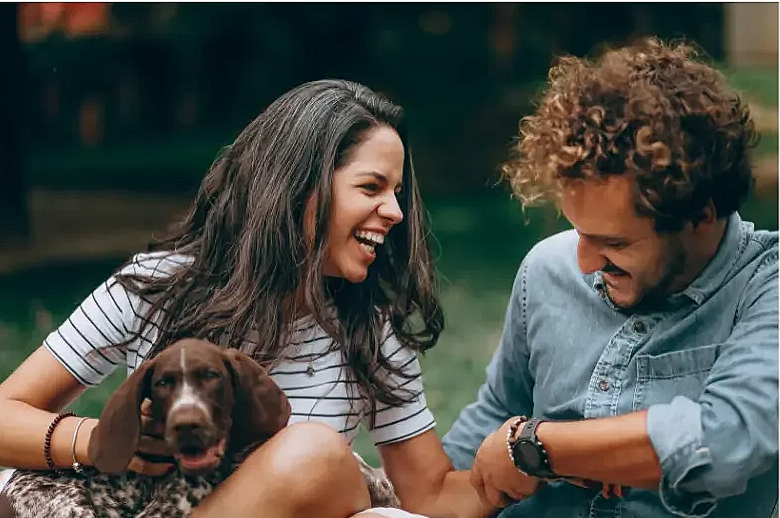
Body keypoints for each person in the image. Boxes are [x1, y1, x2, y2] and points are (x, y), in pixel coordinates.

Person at [0, 79, 490, 518]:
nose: (396, 212)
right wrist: (100, 442)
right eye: (372, 187)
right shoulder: (159, 286)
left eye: (398, 192)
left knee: (319, 464)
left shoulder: (372, 327)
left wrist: (531, 458)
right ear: (299, 187)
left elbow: (428, 496)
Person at [442, 38, 778, 518]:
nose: (583, 263)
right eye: (578, 231)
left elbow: (724, 441)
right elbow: (491, 421)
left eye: (615, 244)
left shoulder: (766, 286)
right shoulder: (546, 268)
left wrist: (536, 447)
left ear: (700, 216)